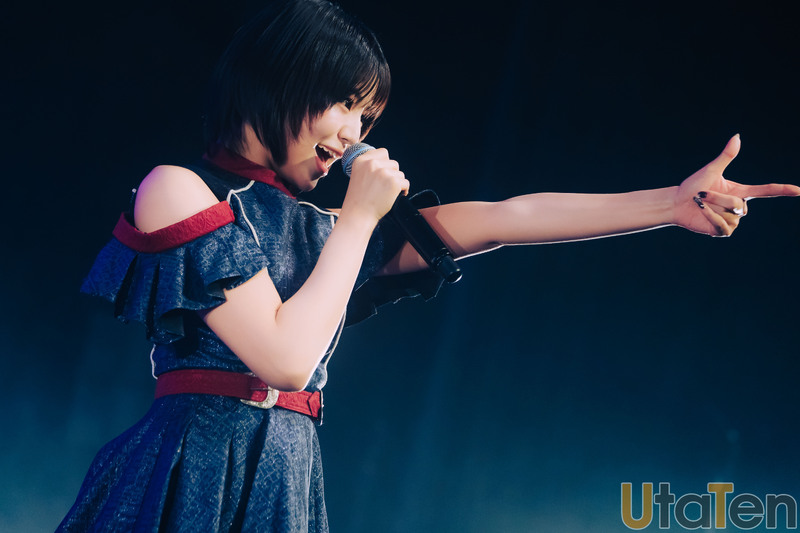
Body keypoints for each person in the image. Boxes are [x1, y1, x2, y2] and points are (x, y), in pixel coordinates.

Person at [58, 0, 799, 531]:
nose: (353, 134)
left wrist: (668, 203)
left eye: (367, 118)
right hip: (185, 468)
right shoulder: (178, 189)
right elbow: (284, 358)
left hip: (286, 478)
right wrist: (358, 219)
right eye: (345, 105)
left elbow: (509, 218)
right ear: (282, 78)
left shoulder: (327, 230)